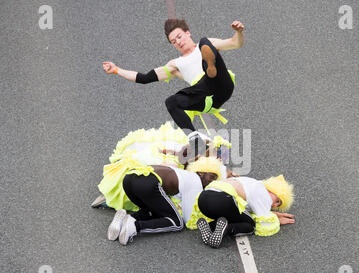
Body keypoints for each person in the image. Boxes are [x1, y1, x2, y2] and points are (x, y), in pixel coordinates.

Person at [102, 19, 244, 156]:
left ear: (188, 33)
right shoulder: (175, 65)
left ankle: (210, 67)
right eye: (174, 42)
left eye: (179, 37)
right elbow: (143, 78)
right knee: (171, 102)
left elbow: (235, 43)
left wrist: (239, 32)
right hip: (207, 98)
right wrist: (116, 70)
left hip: (222, 83)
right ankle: (197, 143)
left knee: (205, 42)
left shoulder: (206, 44)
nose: (178, 42)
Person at [90, 121, 235, 210]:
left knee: (158, 179)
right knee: (149, 170)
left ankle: (114, 197)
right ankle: (111, 197)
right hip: (171, 162)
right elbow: (183, 153)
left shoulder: (210, 169)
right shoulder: (202, 152)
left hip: (179, 168)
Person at [107, 157, 223, 245]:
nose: (212, 181)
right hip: (146, 183)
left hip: (129, 179)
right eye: (212, 176)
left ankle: (124, 220)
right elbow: (188, 218)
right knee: (177, 222)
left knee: (154, 210)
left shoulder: (184, 174)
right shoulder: (196, 182)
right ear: (201, 173)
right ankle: (135, 227)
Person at [188, 174, 295, 248]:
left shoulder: (252, 183)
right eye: (277, 200)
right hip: (222, 199)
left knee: (236, 216)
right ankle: (226, 230)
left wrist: (272, 213)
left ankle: (209, 227)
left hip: (203, 199)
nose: (275, 205)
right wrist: (275, 220)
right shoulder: (264, 194)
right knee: (250, 225)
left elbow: (245, 211)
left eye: (278, 205)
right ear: (271, 190)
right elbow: (264, 224)